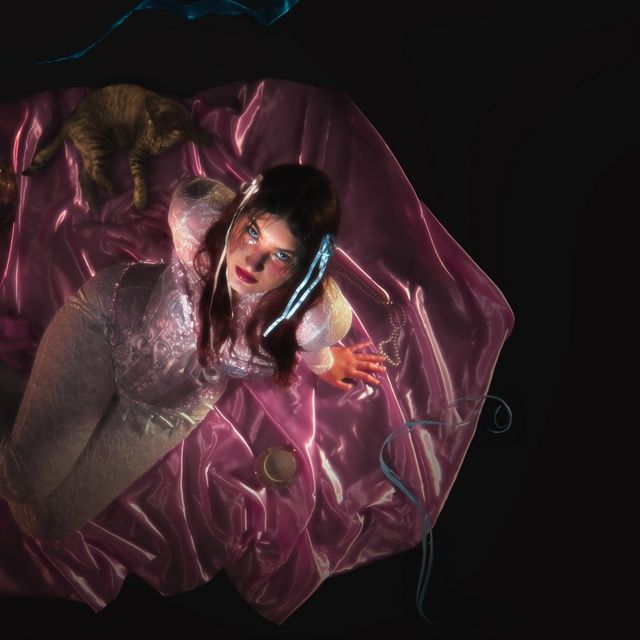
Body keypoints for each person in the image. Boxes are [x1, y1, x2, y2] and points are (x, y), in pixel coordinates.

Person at [0, 163, 387, 540]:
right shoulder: (196, 217)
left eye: (281, 255)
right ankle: (36, 421)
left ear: (305, 269)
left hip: (168, 406)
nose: (252, 261)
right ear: (239, 213)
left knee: (43, 524)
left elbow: (317, 341)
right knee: (20, 482)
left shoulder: (313, 317)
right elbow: (199, 194)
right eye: (253, 231)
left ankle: (29, 410)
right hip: (105, 324)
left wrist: (326, 361)